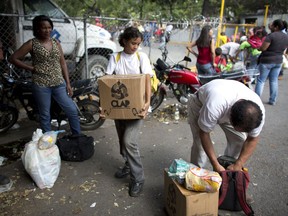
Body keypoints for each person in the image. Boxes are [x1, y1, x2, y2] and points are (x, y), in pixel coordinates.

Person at [9, 15, 81, 134]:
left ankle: (77, 137)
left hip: (59, 83)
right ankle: (48, 142)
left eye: (49, 27)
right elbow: (13, 58)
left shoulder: (56, 42)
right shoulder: (31, 44)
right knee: (45, 115)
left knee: (72, 110)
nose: (47, 30)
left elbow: (63, 63)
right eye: (43, 28)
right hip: (41, 85)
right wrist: (31, 68)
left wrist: (68, 83)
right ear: (37, 29)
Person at [105, 26, 153, 197]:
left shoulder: (141, 57)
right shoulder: (115, 57)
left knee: (129, 141)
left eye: (138, 44)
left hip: (137, 107)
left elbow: (147, 79)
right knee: (122, 141)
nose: (135, 47)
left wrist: (147, 102)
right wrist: (105, 107)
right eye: (133, 43)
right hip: (119, 107)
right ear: (124, 41)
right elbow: (107, 81)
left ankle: (138, 178)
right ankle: (127, 164)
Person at [188, 79, 265, 172]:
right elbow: (204, 133)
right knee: (199, 144)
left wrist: (238, 164)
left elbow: (252, 139)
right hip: (200, 103)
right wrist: (215, 163)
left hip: (228, 106)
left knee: (239, 139)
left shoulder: (257, 113)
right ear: (230, 117)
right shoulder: (215, 104)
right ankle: (196, 174)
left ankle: (227, 168)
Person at [255, 19, 288, 105]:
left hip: (267, 61)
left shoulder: (271, 36)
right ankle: (272, 100)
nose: (271, 26)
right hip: (278, 61)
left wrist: (258, 48)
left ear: (276, 27)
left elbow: (263, 48)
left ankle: (256, 100)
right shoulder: (286, 36)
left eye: (272, 25)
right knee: (274, 81)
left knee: (261, 80)